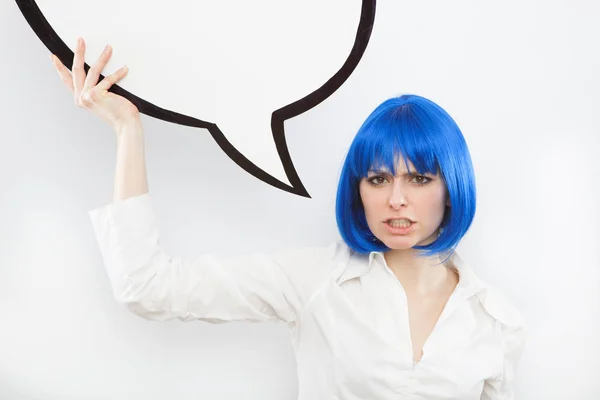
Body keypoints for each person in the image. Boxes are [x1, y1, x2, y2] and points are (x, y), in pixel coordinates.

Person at [50, 37, 526, 400]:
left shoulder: (496, 321)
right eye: (378, 180)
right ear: (357, 190)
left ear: (451, 188)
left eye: (419, 180)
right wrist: (127, 128)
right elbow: (147, 287)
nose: (396, 200)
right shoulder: (316, 280)